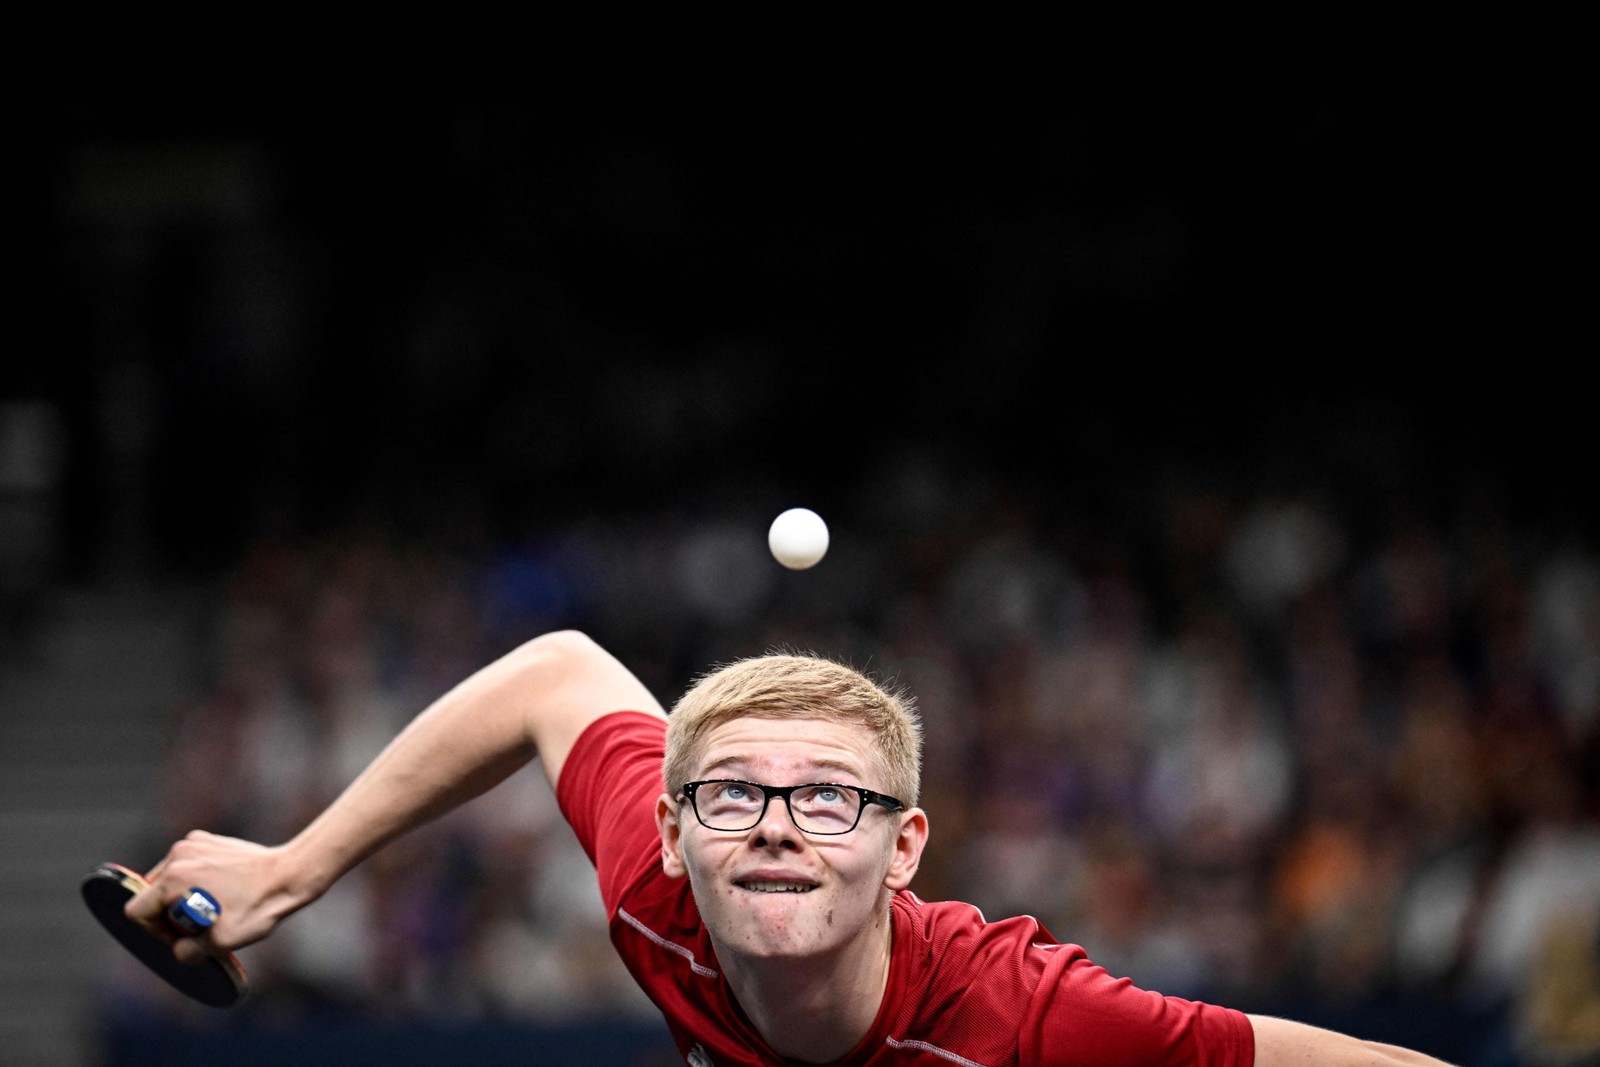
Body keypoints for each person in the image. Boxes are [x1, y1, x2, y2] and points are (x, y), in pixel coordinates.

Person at [130, 630, 1455, 1065]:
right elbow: (557, 673)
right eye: (732, 795)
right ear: (668, 826)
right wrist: (294, 869)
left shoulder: (1024, 1015)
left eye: (830, 800)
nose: (772, 820)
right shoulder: (654, 888)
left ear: (905, 850)